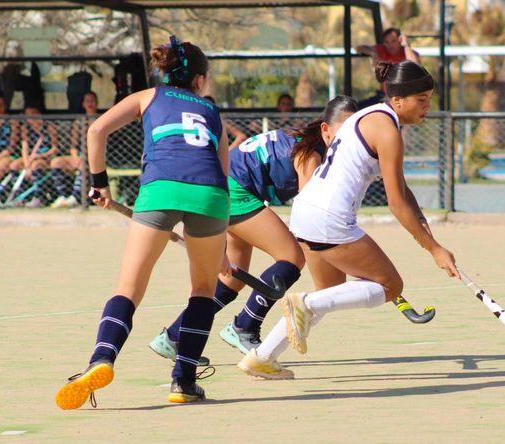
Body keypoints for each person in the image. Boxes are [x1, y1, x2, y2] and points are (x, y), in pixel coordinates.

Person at [237, 61, 457, 379]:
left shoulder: (368, 117)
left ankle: (262, 357)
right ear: (398, 100)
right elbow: (396, 203)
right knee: (390, 286)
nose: (427, 106)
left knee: (330, 292)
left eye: (429, 99)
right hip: (331, 218)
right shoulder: (388, 132)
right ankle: (303, 305)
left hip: (306, 211)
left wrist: (423, 225)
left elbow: (402, 188)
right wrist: (433, 248)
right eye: (421, 99)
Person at [55, 36, 230, 409]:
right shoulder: (212, 112)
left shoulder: (147, 96)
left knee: (129, 288)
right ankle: (183, 381)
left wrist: (100, 184)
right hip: (211, 198)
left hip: (160, 190)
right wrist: (222, 246)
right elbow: (222, 174)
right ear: (200, 80)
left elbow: (96, 131)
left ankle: (101, 358)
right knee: (203, 290)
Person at [148, 96, 359, 379]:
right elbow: (310, 209)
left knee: (232, 279)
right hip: (236, 188)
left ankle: (174, 336)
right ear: (326, 128)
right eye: (344, 129)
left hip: (234, 184)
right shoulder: (311, 154)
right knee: (291, 258)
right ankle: (244, 326)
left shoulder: (309, 141)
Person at [49, 91, 99, 208]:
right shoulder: (79, 122)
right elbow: (73, 145)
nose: (90, 103)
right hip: (80, 155)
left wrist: (84, 158)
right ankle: (63, 196)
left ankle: (75, 197)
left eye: (92, 101)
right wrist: (75, 156)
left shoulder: (101, 119)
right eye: (87, 101)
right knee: (56, 162)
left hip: (95, 156)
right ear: (83, 104)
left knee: (83, 163)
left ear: (97, 103)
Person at [17, 103, 59, 208]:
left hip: (46, 157)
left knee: (36, 165)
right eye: (28, 115)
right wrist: (27, 165)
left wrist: (40, 156)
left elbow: (55, 148)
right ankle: (21, 197)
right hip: (31, 158)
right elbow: (25, 149)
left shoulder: (49, 126)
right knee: (15, 165)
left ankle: (39, 197)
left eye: (33, 114)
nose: (31, 118)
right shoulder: (26, 129)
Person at [0, 94, 20, 189]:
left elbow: (12, 146)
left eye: (1, 105)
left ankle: (0, 194)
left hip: (8, 154)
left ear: (5, 106)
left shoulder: (12, 121)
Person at [355, 27, 421, 65]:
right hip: (388, 86)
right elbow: (359, 48)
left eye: (393, 41)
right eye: (387, 42)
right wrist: (372, 53)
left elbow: (416, 66)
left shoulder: (410, 53)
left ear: (400, 40)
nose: (390, 45)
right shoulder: (382, 49)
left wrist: (405, 44)